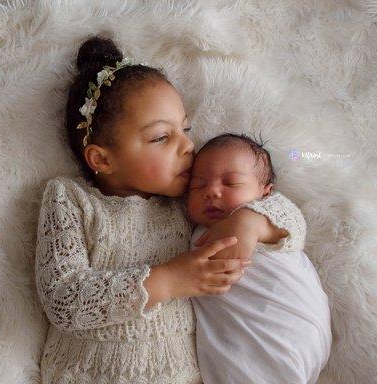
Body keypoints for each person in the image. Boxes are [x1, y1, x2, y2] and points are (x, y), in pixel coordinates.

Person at [35, 35, 296, 384]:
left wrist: (252, 221)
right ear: (103, 158)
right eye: (161, 137)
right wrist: (169, 279)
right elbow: (62, 300)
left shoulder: (188, 201)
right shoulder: (70, 198)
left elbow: (286, 215)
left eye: (185, 129)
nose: (188, 145)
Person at [187, 133, 332, 384]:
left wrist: (249, 222)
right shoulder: (193, 232)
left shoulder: (269, 213)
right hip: (245, 346)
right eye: (198, 185)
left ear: (265, 193)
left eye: (230, 183)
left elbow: (295, 224)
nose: (211, 191)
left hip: (290, 327)